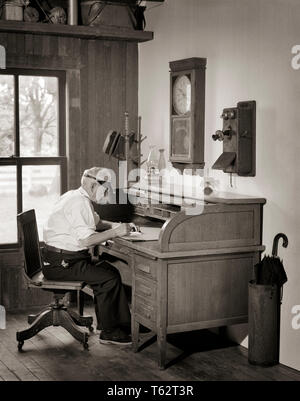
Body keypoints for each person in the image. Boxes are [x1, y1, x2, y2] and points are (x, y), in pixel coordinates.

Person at [43, 167, 132, 345]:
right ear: (93, 186)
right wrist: (116, 233)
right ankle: (109, 332)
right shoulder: (79, 203)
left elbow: (97, 223)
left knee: (109, 270)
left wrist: (115, 225)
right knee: (107, 279)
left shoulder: (77, 197)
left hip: (64, 259)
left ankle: (122, 325)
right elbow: (87, 241)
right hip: (61, 264)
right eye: (105, 189)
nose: (107, 194)